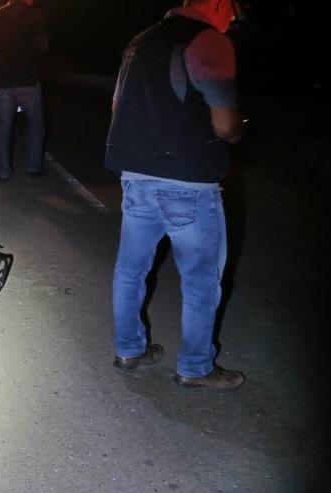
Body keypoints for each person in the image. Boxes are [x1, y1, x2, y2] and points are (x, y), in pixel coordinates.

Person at [106, 0, 246, 390]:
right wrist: (238, 131)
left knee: (131, 271)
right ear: (216, 3)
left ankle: (129, 350)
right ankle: (196, 367)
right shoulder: (208, 42)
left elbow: (117, 105)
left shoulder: (139, 42)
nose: (233, 19)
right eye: (231, 10)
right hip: (188, 181)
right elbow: (224, 124)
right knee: (201, 281)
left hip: (135, 175)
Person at [0, 0, 49, 182]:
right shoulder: (34, 14)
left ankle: (3, 171)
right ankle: (33, 167)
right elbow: (44, 45)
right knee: (36, 125)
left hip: (3, 78)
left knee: (4, 127)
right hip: (27, 78)